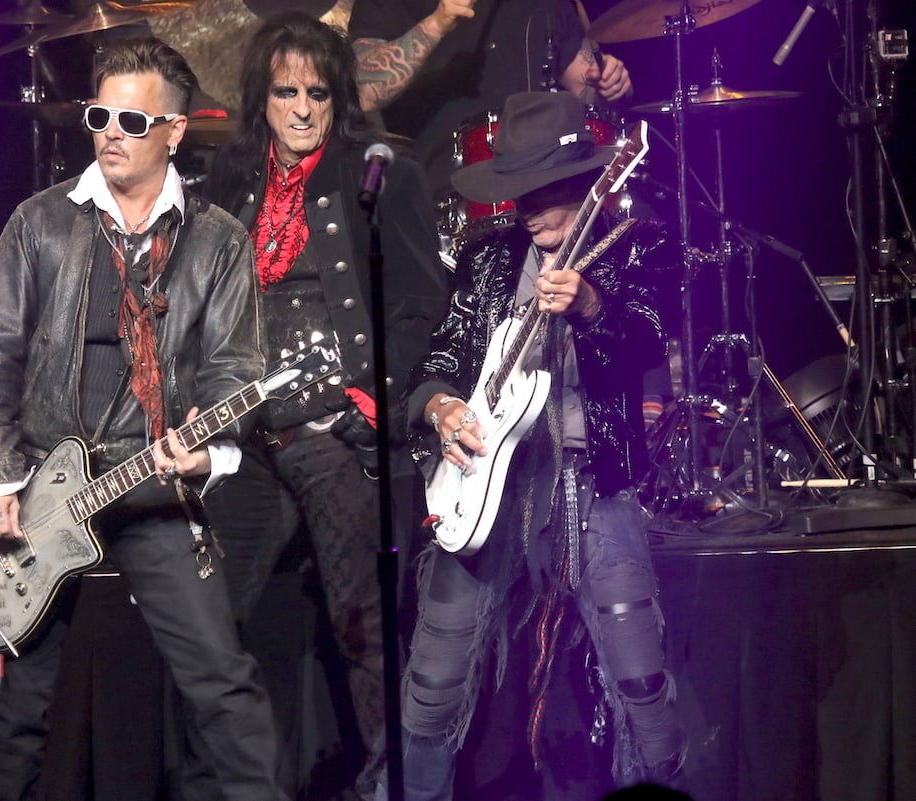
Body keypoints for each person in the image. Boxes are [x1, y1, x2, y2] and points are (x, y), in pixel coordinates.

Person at [0, 37, 285, 801]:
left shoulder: (218, 241)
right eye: (98, 114)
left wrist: (204, 455)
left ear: (174, 129)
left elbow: (237, 369)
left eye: (130, 120)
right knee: (20, 709)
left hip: (150, 486)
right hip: (42, 487)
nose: (109, 131)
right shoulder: (38, 223)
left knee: (222, 686)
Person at [387, 91, 684, 800]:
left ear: (586, 180)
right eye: (515, 193)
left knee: (639, 678)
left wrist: (589, 307)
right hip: (485, 487)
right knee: (430, 683)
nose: (528, 209)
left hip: (589, 483)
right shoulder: (489, 260)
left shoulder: (637, 242)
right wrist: (440, 407)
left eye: (543, 193)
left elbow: (645, 336)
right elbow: (438, 361)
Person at [201, 11, 447, 801]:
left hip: (330, 431)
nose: (302, 109)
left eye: (315, 92)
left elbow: (418, 304)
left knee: (360, 625)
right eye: (284, 92)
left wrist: (365, 399)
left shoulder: (381, 177)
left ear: (337, 95)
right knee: (207, 620)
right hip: (243, 438)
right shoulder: (228, 188)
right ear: (260, 100)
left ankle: (389, 783)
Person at [348, 0, 633, 190]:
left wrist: (609, 82)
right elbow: (364, 90)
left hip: (540, 182)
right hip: (441, 188)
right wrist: (437, 22)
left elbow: (585, 87)